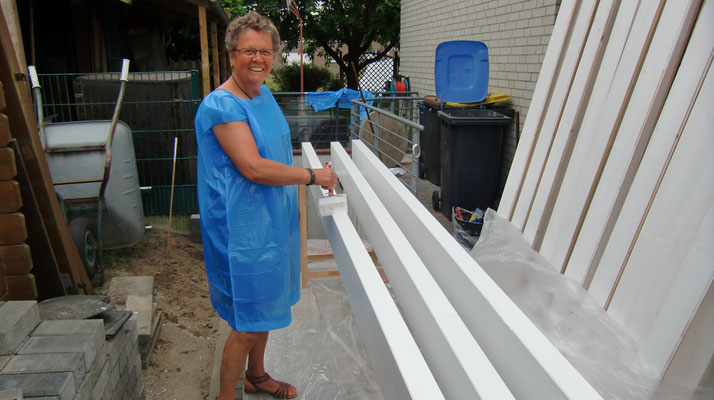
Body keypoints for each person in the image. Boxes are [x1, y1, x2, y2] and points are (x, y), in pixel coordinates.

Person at [194, 11, 337, 400]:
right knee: (247, 324)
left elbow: (272, 150)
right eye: (248, 51)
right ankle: (227, 395)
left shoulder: (264, 95)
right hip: (241, 229)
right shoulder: (221, 106)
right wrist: (313, 177)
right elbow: (253, 167)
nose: (258, 59)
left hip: (271, 220)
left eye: (266, 51)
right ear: (231, 54)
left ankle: (256, 376)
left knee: (265, 309)